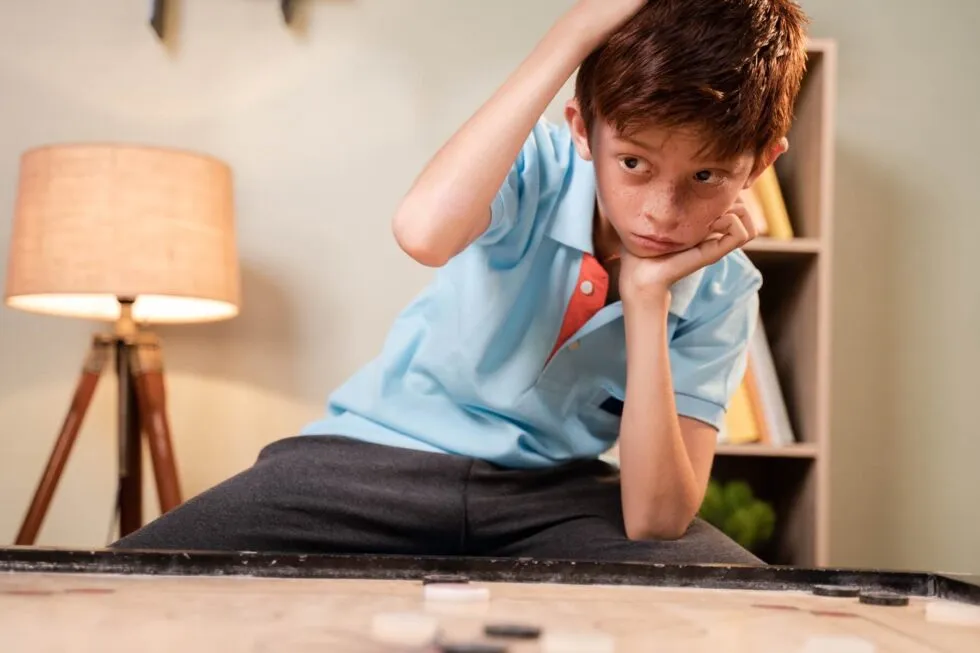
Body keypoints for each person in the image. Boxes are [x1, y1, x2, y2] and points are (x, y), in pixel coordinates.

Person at [113, 0, 809, 565]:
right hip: (372, 464)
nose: (661, 211)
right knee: (130, 575)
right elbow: (423, 232)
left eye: (706, 177)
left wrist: (649, 298)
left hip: (552, 497)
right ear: (581, 129)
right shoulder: (533, 164)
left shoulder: (725, 290)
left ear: (760, 164)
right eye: (633, 163)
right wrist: (571, 32)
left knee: (744, 600)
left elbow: (654, 519)